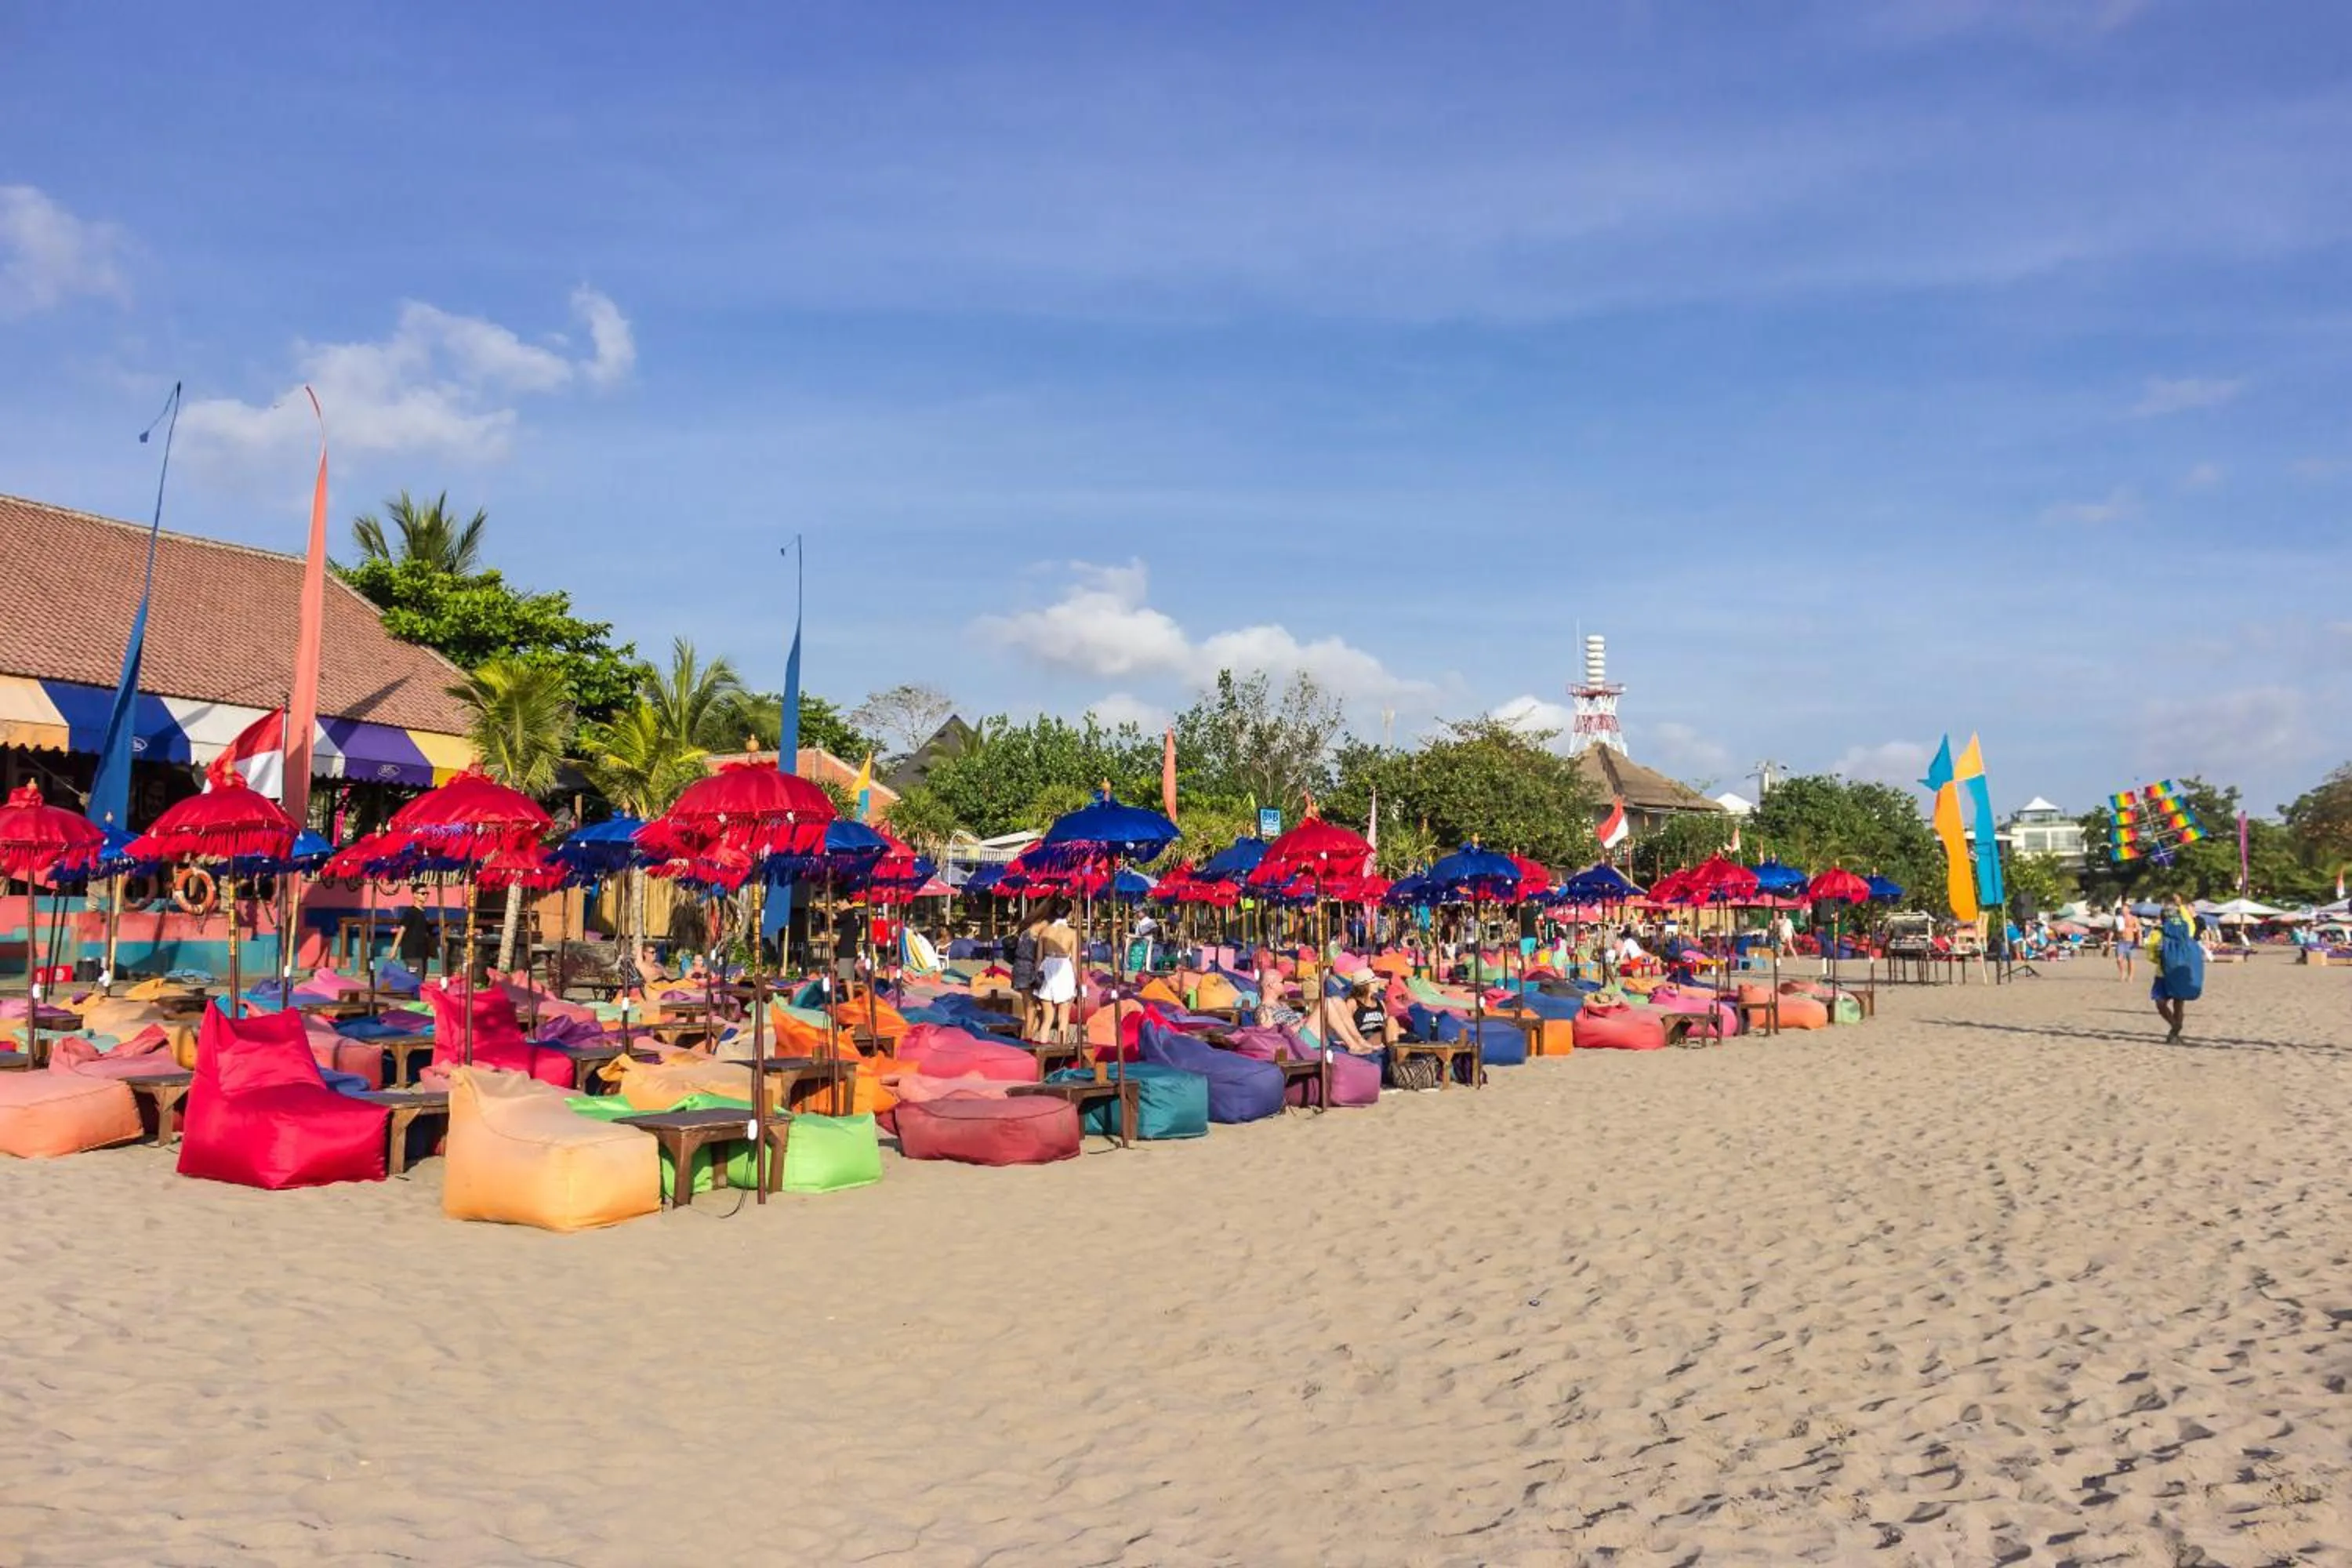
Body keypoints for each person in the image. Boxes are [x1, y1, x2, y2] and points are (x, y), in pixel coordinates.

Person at [2147, 895, 2204, 1041]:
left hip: (2162, 973)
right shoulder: (2186, 932)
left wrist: (2162, 958)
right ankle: (2175, 1031)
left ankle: (2174, 1026)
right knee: (2179, 1004)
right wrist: (2180, 906)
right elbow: (2190, 922)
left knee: (2160, 1003)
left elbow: (2151, 957)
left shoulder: (2156, 934)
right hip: (2180, 973)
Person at [1034, 898, 1081, 1041]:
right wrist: (1079, 981)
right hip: (1063, 969)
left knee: (1047, 1018)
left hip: (1047, 966)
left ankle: (1042, 1047)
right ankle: (1061, 1047)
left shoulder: (1045, 931)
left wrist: (1036, 978)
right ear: (1068, 913)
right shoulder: (1072, 933)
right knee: (1063, 1016)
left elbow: (1038, 959)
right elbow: (1074, 961)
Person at [1007, 906, 1047, 1038]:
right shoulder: (1042, 926)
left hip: (1019, 968)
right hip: (1028, 968)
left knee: (1032, 1009)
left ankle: (1027, 1037)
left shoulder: (1026, 928)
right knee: (1031, 1010)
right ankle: (1026, 1041)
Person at [2114, 903, 2141, 982]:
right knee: (2119, 959)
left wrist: (2139, 939)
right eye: (2122, 909)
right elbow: (2112, 930)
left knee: (2131, 960)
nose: (2123, 910)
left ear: (2129, 910)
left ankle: (2130, 976)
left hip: (2131, 941)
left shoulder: (2134, 918)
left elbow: (2138, 929)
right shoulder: (2118, 919)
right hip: (2121, 941)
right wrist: (2109, 941)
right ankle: (2123, 973)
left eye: (2125, 909)